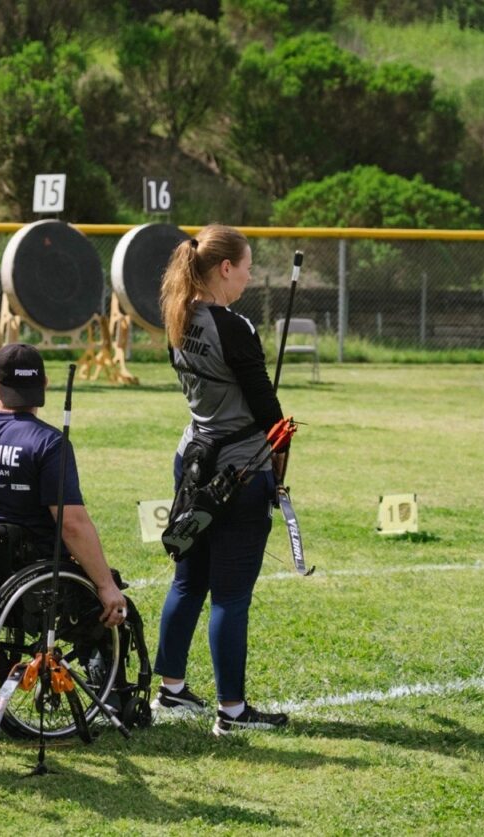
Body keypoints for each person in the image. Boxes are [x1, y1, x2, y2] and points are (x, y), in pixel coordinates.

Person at [152, 224, 289, 736]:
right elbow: (267, 410)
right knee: (231, 596)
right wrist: (279, 461)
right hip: (238, 469)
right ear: (225, 268)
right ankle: (232, 712)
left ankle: (171, 691)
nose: (249, 278)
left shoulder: (178, 314)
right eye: (246, 268)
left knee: (189, 582)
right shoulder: (233, 326)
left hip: (193, 458)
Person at [0, 342, 127, 629]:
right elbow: (72, 525)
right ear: (44, 385)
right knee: (109, 599)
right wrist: (105, 585)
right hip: (34, 568)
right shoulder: (49, 443)